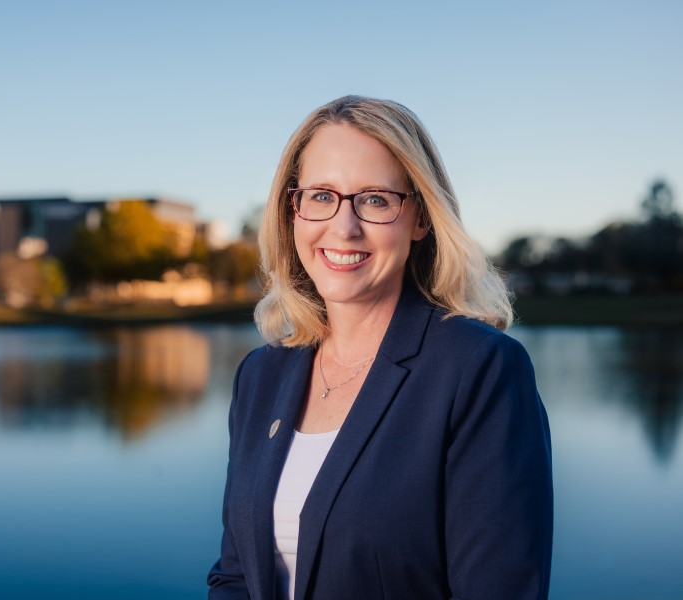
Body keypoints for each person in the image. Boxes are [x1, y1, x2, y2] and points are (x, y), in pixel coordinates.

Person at [207, 96, 552, 600]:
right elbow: (236, 576)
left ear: (421, 219)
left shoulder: (478, 369)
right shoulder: (262, 374)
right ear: (292, 211)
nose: (343, 227)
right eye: (321, 196)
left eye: (374, 199)